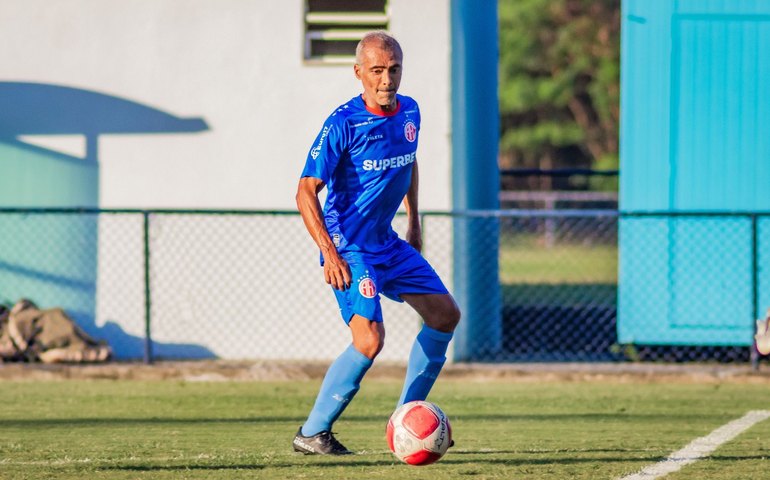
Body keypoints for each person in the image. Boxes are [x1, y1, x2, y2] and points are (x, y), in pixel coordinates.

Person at [292, 31, 461, 455]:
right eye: (377, 71)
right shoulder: (343, 123)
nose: (387, 79)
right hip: (350, 246)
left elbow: (409, 161)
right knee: (369, 339)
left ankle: (406, 421)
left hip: (388, 243)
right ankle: (313, 432)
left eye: (394, 69)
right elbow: (305, 190)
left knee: (444, 315)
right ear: (359, 73)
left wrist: (415, 223)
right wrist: (329, 253)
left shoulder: (411, 112)